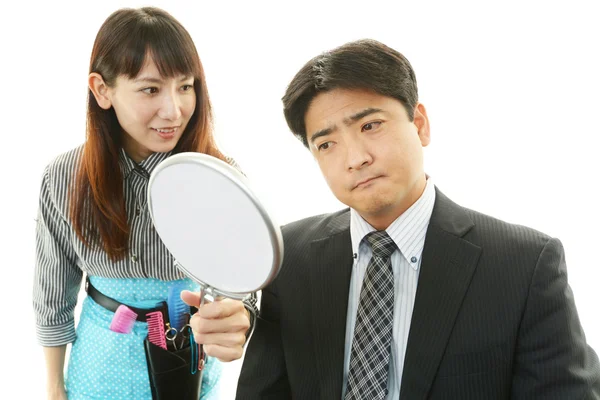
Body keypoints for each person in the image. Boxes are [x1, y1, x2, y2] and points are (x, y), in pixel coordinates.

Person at [236, 39, 600, 399]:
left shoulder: (524, 265)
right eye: (327, 144)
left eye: (370, 126)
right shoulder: (289, 258)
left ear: (420, 124)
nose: (355, 158)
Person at [33, 7, 256, 400]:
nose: (174, 111)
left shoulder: (219, 175)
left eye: (185, 86)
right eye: (151, 89)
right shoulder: (64, 175)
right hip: (100, 358)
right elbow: (53, 291)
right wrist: (54, 385)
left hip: (185, 354)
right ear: (102, 90)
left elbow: (244, 282)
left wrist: (239, 317)